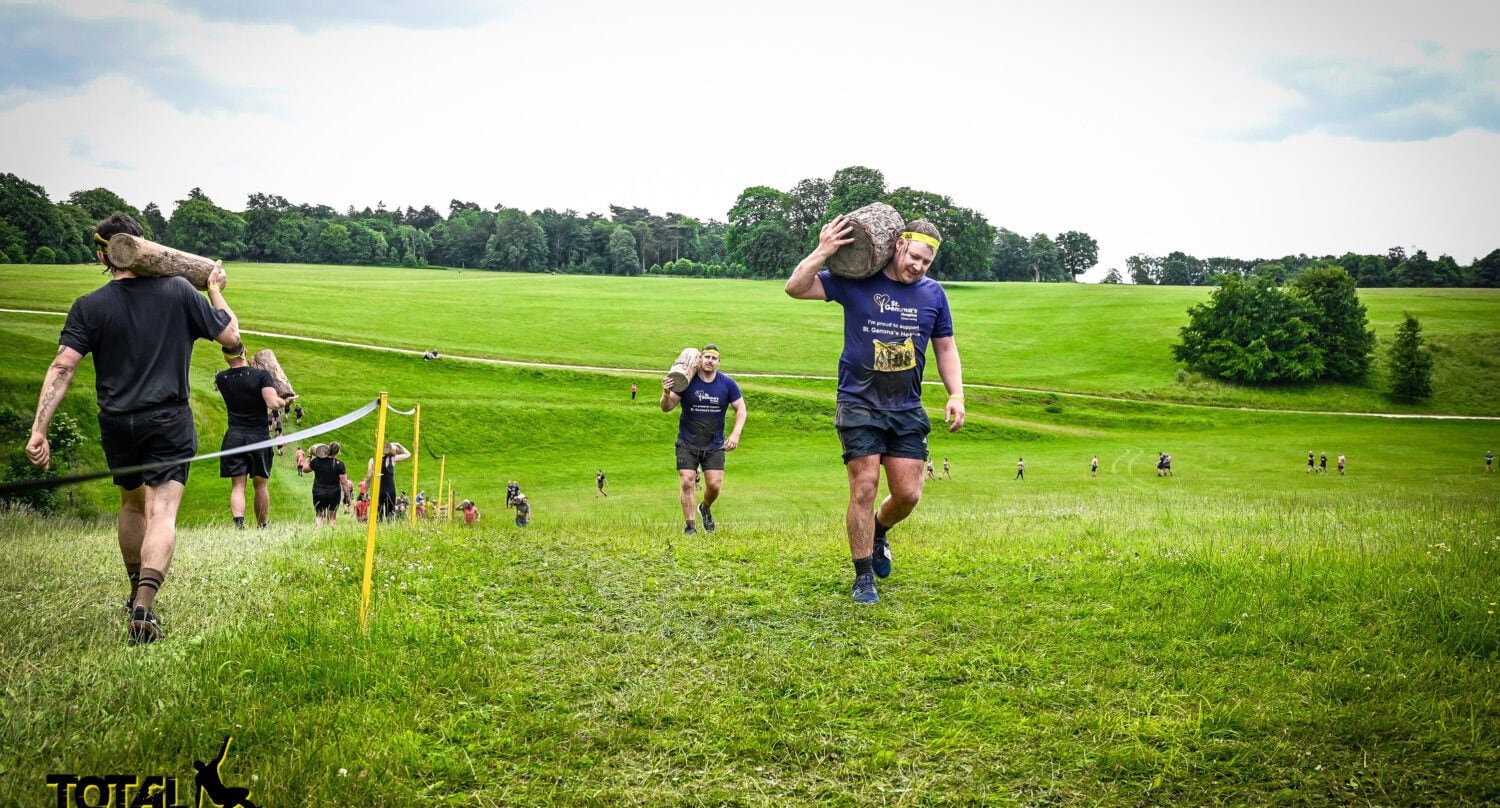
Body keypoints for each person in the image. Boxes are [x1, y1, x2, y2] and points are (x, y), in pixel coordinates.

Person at [25, 213, 239, 644]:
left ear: (104, 254)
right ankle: (145, 603)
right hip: (169, 419)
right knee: (162, 510)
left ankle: (132, 592)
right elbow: (231, 337)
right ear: (146, 248)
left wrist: (38, 430)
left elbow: (63, 366)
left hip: (117, 422)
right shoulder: (180, 291)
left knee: (131, 506)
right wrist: (214, 287)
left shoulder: (90, 305)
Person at [785, 215, 964, 604]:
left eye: (926, 263)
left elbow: (945, 346)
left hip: (905, 407)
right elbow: (795, 288)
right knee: (864, 486)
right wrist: (824, 250)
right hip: (858, 401)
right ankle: (863, 574)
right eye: (915, 256)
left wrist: (956, 394)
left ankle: (880, 530)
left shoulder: (933, 294)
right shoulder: (858, 281)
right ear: (899, 244)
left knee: (908, 495)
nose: (918, 267)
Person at [659, 344, 746, 535]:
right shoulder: (687, 381)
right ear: (699, 359)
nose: (709, 361)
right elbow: (666, 407)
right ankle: (690, 527)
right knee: (687, 481)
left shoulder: (727, 384)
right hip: (687, 442)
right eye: (706, 357)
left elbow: (741, 409)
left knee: (714, 485)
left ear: (719, 362)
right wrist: (666, 393)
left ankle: (705, 508)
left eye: (714, 358)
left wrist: (735, 433)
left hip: (714, 444)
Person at [214, 344, 288, 529]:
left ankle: (239, 524)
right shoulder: (261, 375)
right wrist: (285, 400)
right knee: (260, 485)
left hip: (234, 436)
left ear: (225, 358)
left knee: (238, 486)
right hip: (259, 436)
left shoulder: (221, 378)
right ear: (245, 352)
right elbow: (272, 402)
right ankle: (262, 525)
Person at [365, 442, 411, 521]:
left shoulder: (372, 460)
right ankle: (388, 528)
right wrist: (399, 444)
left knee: (379, 513)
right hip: (390, 490)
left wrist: (365, 491)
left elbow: (369, 476)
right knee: (390, 513)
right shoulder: (392, 459)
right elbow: (408, 454)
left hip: (378, 490)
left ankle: (378, 530)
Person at [308, 442, 350, 527]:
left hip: (318, 492)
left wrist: (309, 456)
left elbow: (305, 469)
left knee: (319, 516)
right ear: (338, 452)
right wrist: (348, 497)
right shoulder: (340, 464)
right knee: (332, 517)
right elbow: (344, 483)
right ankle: (331, 537)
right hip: (334, 494)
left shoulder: (317, 461)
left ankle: (318, 537)